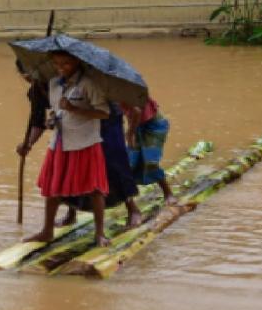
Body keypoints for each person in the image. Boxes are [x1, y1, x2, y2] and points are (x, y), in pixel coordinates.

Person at [16, 63, 142, 229]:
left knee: (112, 163)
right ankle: (71, 212)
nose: (31, 78)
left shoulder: (79, 81)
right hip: (71, 127)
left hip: (105, 122)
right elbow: (37, 121)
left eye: (33, 74)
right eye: (26, 75)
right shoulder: (38, 91)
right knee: (70, 168)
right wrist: (28, 143)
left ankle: (132, 208)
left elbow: (102, 107)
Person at [22, 51, 112, 248]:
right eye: (57, 64)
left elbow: (104, 113)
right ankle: (47, 231)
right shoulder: (54, 84)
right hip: (59, 143)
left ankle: (99, 233)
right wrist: (52, 119)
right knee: (52, 188)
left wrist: (75, 109)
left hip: (85, 142)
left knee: (95, 189)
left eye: (66, 64)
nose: (61, 68)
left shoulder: (89, 84)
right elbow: (55, 110)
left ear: (77, 62)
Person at [125, 97, 177, 206]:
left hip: (153, 125)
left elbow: (137, 111)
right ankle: (131, 206)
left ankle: (168, 193)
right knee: (129, 165)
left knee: (151, 162)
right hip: (136, 126)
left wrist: (130, 133)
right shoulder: (108, 89)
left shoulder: (126, 87)